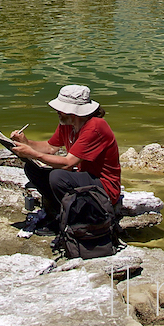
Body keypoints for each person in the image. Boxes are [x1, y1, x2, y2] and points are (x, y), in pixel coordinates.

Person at [8, 84, 122, 236]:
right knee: (32, 168)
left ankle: (73, 219)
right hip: (84, 177)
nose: (58, 112)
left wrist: (33, 154)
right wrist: (25, 142)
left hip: (104, 187)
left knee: (58, 177)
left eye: (61, 110)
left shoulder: (95, 127)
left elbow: (69, 162)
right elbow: (50, 147)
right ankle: (56, 213)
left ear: (73, 112)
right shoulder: (68, 124)